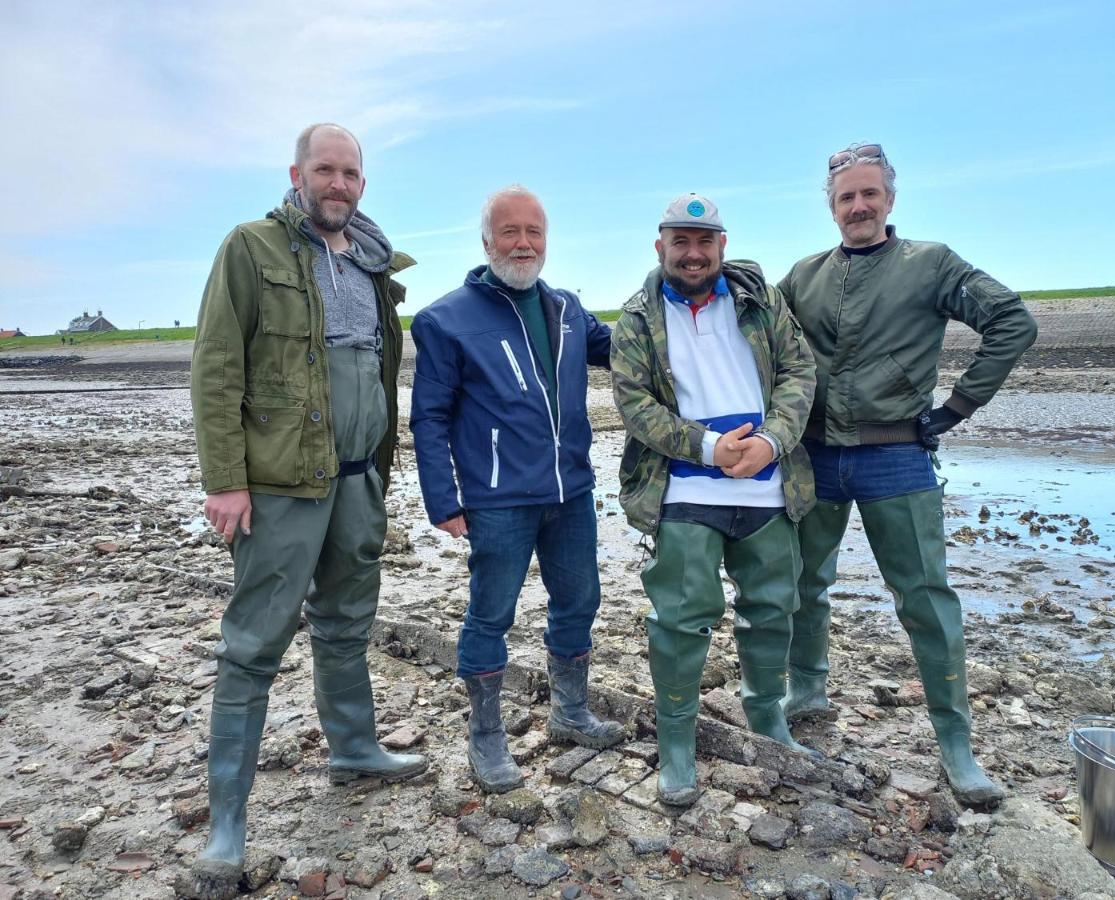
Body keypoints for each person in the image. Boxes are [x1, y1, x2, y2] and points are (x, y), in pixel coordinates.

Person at [190, 123, 427, 894]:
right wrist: (225, 480)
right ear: (297, 173)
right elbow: (217, 365)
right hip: (282, 487)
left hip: (361, 481)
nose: (339, 184)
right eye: (326, 170)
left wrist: (384, 475)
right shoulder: (251, 248)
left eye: (351, 172)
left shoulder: (372, 261)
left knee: (347, 623)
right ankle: (228, 822)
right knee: (253, 645)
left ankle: (354, 746)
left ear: (363, 183)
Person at [776, 143, 1038, 806]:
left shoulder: (931, 264)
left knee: (925, 598)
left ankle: (956, 744)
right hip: (815, 457)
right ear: (831, 208)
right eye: (845, 198)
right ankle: (805, 688)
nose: (858, 206)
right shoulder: (803, 276)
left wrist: (956, 407)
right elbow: (757, 339)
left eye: (869, 194)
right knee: (804, 582)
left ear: (889, 199)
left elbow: (1012, 322)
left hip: (898, 456)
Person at [410, 185, 622, 794]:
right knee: (491, 614)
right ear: (487, 241)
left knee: (580, 600)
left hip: (570, 493)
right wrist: (443, 499)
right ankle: (486, 736)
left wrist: (687, 293)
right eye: (510, 232)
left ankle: (571, 712)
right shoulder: (445, 319)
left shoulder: (568, 309)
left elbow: (633, 350)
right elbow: (429, 417)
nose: (523, 243)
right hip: (497, 498)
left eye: (534, 233)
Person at [611, 194, 818, 807]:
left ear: (722, 246)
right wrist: (705, 447)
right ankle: (677, 744)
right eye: (681, 241)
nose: (694, 253)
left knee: (773, 607)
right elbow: (634, 403)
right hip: (684, 491)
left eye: (705, 241)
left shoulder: (761, 302)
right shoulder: (635, 320)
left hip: (767, 490)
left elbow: (798, 374)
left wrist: (775, 442)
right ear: (661, 248)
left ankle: (767, 718)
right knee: (678, 618)